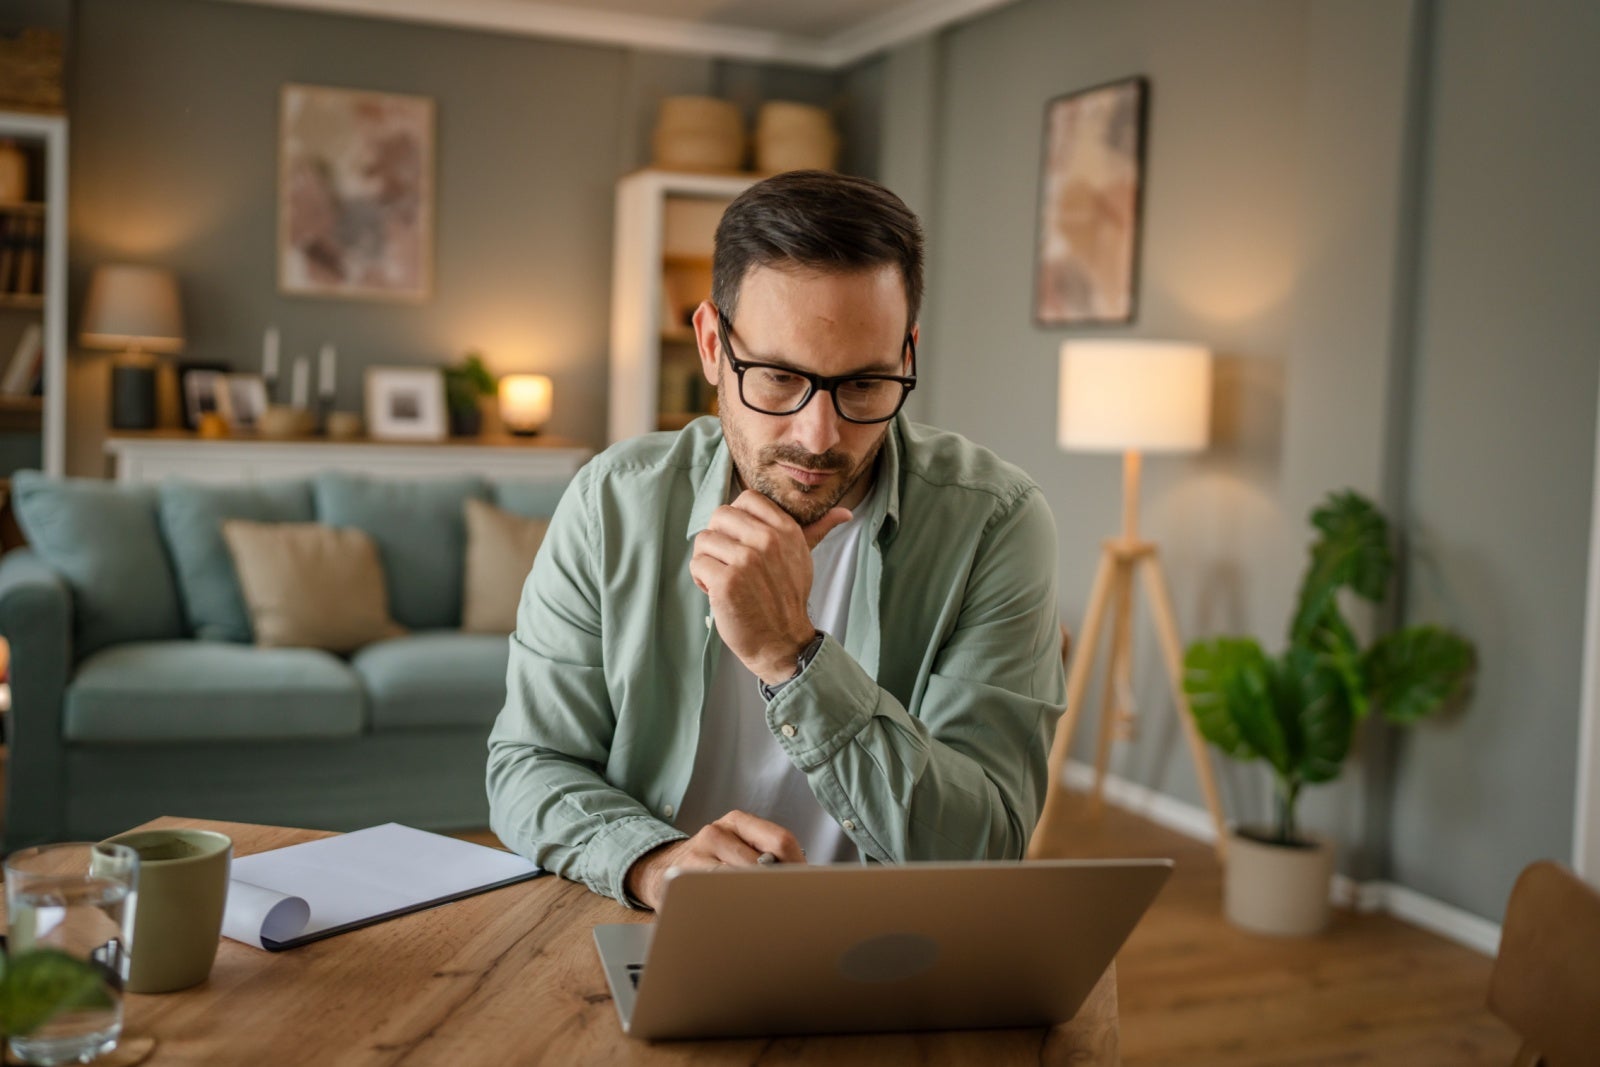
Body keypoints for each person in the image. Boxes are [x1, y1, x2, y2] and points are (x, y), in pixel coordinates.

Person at [487, 170, 1065, 911]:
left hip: (887, 945)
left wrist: (795, 657)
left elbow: (982, 845)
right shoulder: (613, 501)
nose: (818, 435)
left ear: (908, 354)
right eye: (779, 376)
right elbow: (528, 763)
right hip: (653, 928)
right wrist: (655, 861)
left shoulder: (996, 523)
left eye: (864, 384)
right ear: (709, 345)